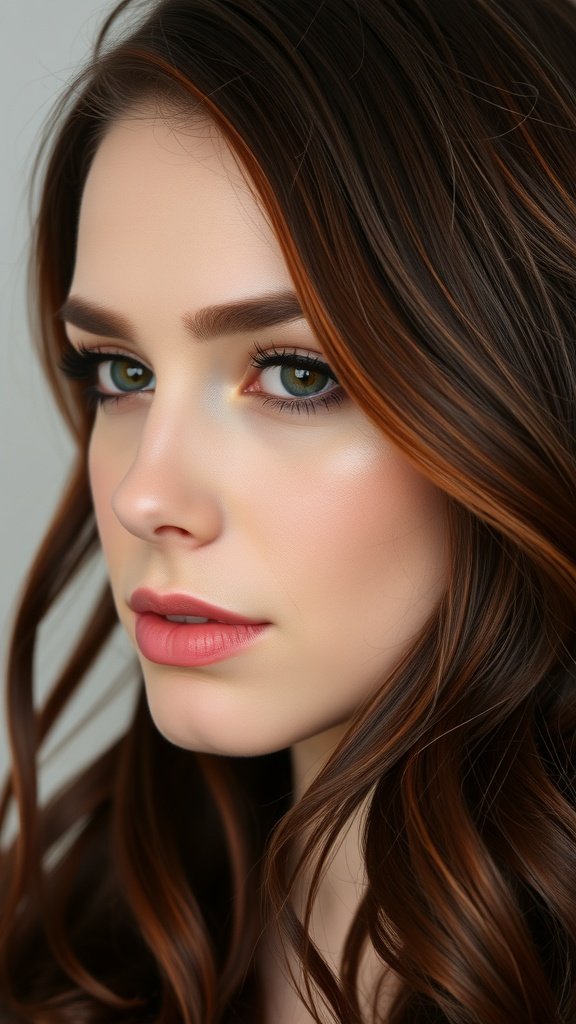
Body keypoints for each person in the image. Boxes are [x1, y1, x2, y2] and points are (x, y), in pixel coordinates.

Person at [1, 0, 575, 1020]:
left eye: (298, 374)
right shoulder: (53, 964)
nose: (143, 497)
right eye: (121, 370)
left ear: (529, 393)